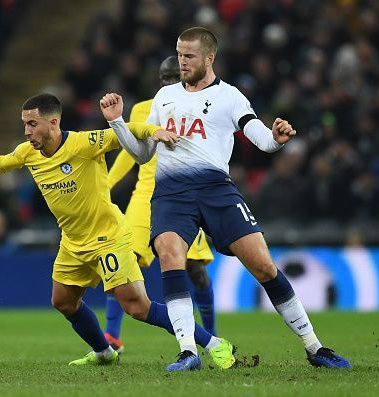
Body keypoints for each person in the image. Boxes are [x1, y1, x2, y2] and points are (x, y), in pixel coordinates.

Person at [0, 93, 235, 371]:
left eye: (32, 124)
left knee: (138, 307)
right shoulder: (28, 153)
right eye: (24, 124)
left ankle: (214, 344)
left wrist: (153, 131)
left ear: (53, 122)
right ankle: (104, 352)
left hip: (108, 239)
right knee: (63, 301)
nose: (26, 131)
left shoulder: (84, 144)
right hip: (73, 242)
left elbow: (128, 129)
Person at [105, 26, 351, 370]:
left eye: (188, 56)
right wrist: (118, 123)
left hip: (216, 191)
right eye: (178, 54)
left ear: (209, 57)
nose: (182, 62)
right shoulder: (164, 98)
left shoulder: (231, 97)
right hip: (172, 193)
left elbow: (262, 139)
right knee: (170, 255)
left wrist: (277, 139)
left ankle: (315, 348)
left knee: (264, 266)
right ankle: (188, 351)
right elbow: (143, 155)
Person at [104, 56, 217, 354]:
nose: (168, 83)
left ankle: (213, 336)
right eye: (164, 78)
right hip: (144, 197)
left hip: (182, 194)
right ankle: (111, 336)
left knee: (195, 270)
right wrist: (107, 185)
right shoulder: (143, 109)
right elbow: (129, 152)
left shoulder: (197, 106)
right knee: (123, 261)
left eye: (173, 77)